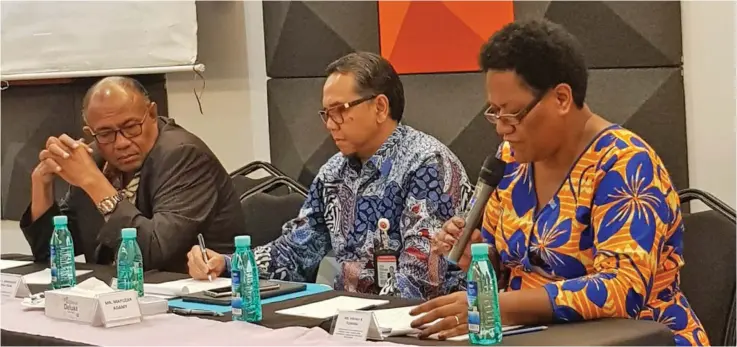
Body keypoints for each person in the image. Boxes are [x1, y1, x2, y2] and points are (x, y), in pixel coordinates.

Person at [409, 19, 708, 346]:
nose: (501, 128)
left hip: (635, 338)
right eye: (494, 113)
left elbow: (621, 290)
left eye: (513, 114)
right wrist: (477, 257)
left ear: (562, 98)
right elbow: (505, 268)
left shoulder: (624, 163)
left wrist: (498, 305)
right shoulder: (511, 159)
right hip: (532, 338)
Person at [187, 52, 470, 299]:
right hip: (352, 317)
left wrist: (352, 318)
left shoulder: (427, 164)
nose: (331, 124)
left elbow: (422, 276)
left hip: (421, 322)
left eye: (340, 111)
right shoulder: (334, 172)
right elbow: (296, 251)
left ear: (380, 107)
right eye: (326, 113)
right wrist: (229, 264)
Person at [20, 76, 246, 273]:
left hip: (197, 297)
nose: (121, 143)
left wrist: (94, 182)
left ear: (152, 113)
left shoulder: (184, 156)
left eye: (130, 127)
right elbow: (52, 251)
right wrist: (42, 182)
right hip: (120, 295)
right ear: (91, 132)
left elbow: (150, 253)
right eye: (106, 132)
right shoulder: (97, 157)